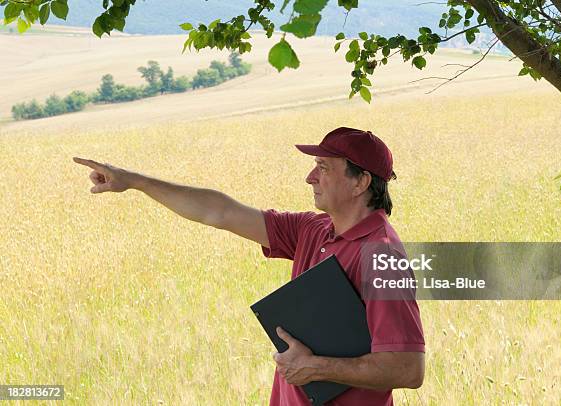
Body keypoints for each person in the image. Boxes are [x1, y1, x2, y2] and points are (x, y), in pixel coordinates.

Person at [73, 126, 425, 405]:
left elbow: (408, 369)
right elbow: (221, 212)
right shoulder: (312, 229)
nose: (310, 178)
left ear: (361, 182)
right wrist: (135, 182)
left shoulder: (383, 257)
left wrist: (315, 367)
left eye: (323, 168)